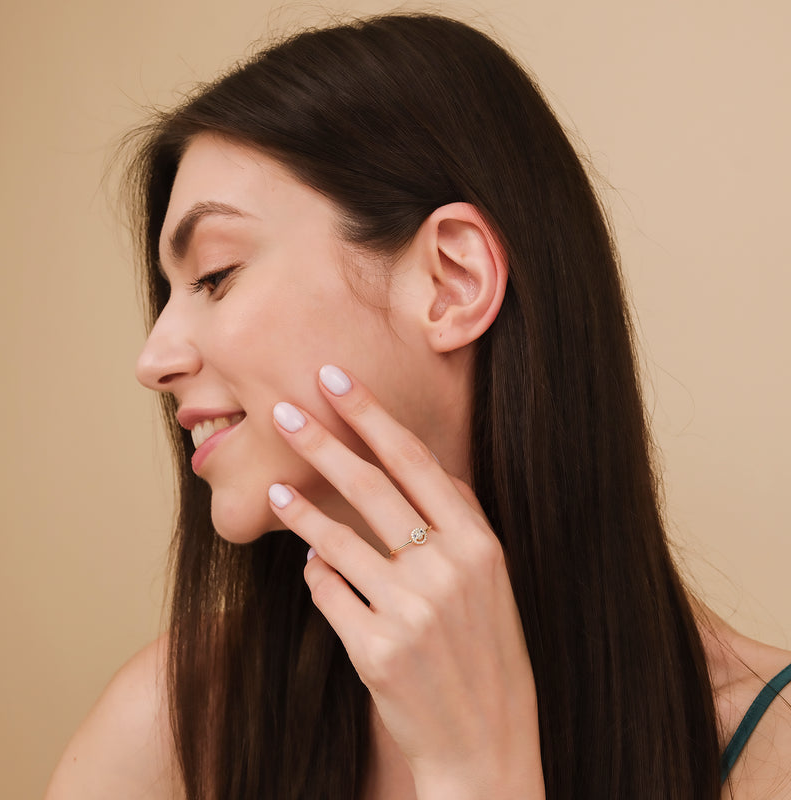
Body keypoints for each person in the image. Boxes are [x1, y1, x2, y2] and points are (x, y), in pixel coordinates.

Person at [45, 13, 791, 800]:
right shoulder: (168, 732)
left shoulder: (767, 749)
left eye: (216, 274)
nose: (154, 360)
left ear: (451, 281)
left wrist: (478, 774)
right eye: (167, 296)